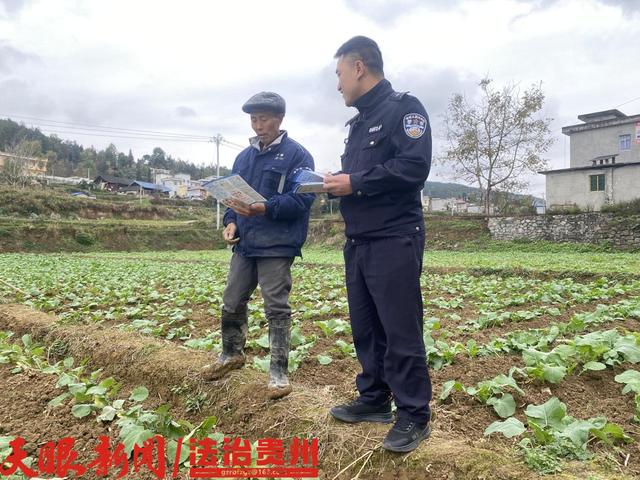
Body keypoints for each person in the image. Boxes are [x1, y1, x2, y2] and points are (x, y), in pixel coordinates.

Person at [323, 36, 433, 453]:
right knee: (366, 327)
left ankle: (414, 415)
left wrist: (354, 181)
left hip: (394, 238)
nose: (338, 85)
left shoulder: (405, 109)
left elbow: (414, 167)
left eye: (339, 74)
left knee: (400, 328)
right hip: (359, 240)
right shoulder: (357, 125)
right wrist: (337, 183)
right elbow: (361, 178)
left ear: (359, 68)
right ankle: (374, 399)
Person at [202, 91, 315, 400]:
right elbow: (233, 197)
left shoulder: (298, 156)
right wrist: (230, 221)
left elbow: (303, 199)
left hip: (277, 244)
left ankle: (278, 372)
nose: (258, 125)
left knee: (276, 306)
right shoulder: (244, 157)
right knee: (232, 299)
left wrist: (265, 208)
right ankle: (231, 354)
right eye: (253, 120)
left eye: (263, 119)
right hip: (246, 243)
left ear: (279, 119)